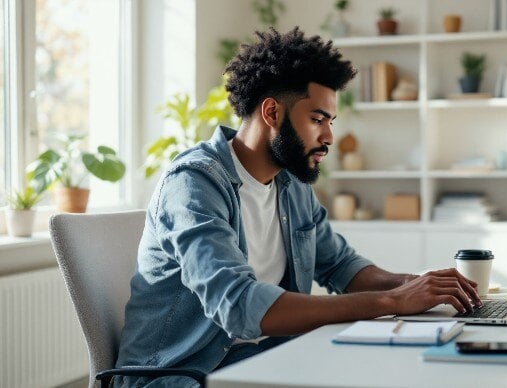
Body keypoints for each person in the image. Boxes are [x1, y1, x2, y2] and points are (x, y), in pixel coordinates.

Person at [115, 27, 481, 387]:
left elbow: (339, 265)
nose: (329, 137)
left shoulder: (291, 182)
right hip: (180, 375)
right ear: (272, 113)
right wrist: (391, 299)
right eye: (317, 119)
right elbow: (240, 305)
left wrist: (418, 285)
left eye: (330, 121)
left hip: (266, 359)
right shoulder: (195, 183)